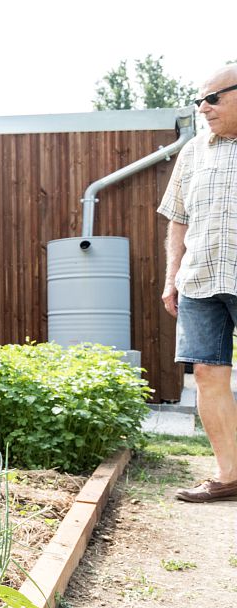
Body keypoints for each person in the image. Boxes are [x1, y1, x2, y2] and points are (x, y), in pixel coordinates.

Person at [159, 63, 237, 502]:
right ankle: (229, 476)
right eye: (199, 100)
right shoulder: (193, 151)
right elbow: (178, 219)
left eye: (213, 98)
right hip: (200, 278)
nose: (203, 108)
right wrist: (172, 276)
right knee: (207, 372)